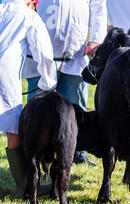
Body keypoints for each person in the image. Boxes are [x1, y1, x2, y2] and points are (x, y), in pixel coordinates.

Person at [0, 0, 57, 197]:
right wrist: (48, 83)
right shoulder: (28, 15)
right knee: (13, 128)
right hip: (4, 76)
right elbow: (43, 51)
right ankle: (26, 185)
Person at [25, 0, 107, 166]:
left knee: (75, 108)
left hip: (76, 53)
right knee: (36, 106)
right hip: (40, 53)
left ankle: (75, 151)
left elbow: (98, 5)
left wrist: (97, 39)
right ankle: (30, 151)